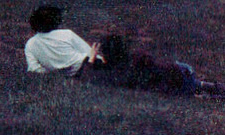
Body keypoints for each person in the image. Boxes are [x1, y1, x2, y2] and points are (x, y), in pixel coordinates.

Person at [86, 34, 225, 98]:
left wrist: (91, 59)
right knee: (196, 85)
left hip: (178, 83)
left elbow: (92, 77)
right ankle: (209, 87)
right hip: (182, 70)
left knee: (191, 92)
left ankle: (210, 94)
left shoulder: (120, 74)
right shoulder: (135, 57)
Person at [24, 5, 98, 76]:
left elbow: (34, 68)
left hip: (66, 75)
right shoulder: (66, 34)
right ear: (56, 21)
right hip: (84, 66)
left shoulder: (30, 43)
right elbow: (88, 52)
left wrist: (55, 73)